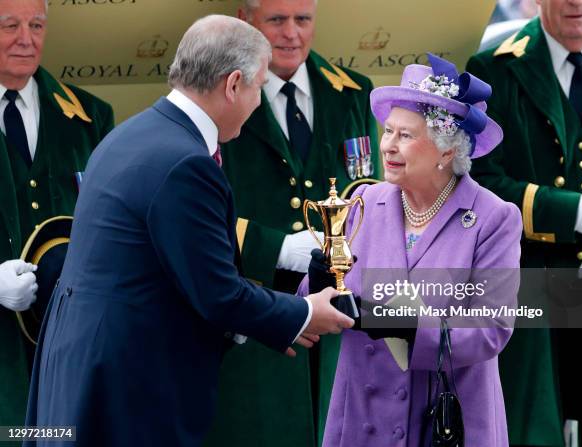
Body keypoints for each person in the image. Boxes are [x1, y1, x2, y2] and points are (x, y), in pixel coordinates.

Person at [23, 15, 353, 447]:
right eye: (258, 87)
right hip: (124, 386)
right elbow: (217, 293)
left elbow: (174, 275)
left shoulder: (135, 133)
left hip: (87, 367)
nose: (258, 103)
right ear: (233, 84)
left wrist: (268, 322)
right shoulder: (186, 162)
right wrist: (306, 312)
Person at [302, 54, 523, 446]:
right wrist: (316, 285)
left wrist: (403, 325)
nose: (388, 146)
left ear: (446, 151)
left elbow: (490, 330)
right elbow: (326, 305)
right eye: (388, 131)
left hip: (446, 421)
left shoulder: (493, 218)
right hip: (363, 420)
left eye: (406, 136)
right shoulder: (365, 202)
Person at [204, 1, 380, 445]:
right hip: (255, 306)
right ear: (247, 22)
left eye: (302, 20)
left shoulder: (351, 92)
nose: (291, 34)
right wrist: (276, 247)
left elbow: (370, 190)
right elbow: (200, 214)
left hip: (336, 307)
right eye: (276, 21)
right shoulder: (218, 95)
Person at [467, 0, 582, 445]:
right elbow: (480, 182)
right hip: (530, 284)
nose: (576, 3)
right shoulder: (493, 68)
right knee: (533, 426)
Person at [0, 0, 113, 434]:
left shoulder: (89, 118)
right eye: (10, 25)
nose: (26, 39)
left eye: (36, 25)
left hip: (71, 339)